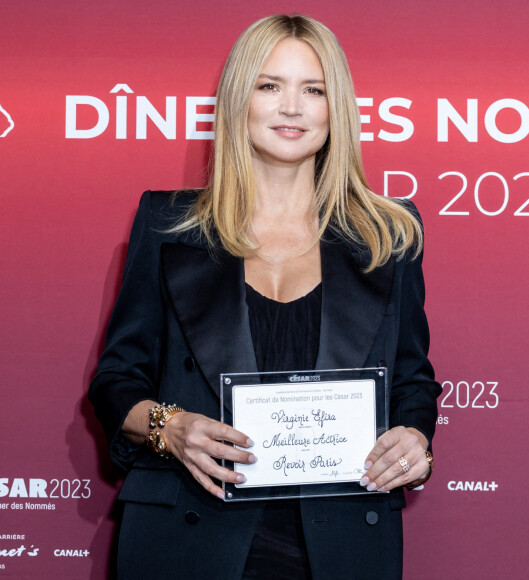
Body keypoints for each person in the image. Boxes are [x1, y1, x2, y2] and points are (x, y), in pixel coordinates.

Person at [89, 13, 441, 580]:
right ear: (239, 99)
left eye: (314, 89)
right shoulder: (167, 224)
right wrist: (169, 427)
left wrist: (416, 440)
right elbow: (116, 380)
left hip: (341, 543)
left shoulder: (389, 235)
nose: (292, 107)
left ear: (337, 108)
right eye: (270, 85)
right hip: (185, 535)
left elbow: (411, 379)